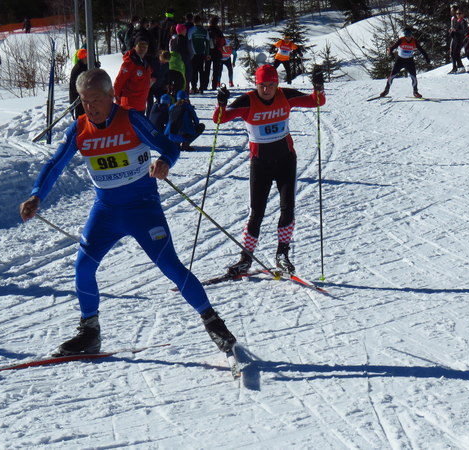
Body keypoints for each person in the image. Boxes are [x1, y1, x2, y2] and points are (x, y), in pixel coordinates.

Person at [18, 68, 237, 356]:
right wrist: (36, 195)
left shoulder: (131, 119)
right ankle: (89, 333)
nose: (90, 107)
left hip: (142, 209)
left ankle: (214, 324)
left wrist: (164, 162)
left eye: (96, 100)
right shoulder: (79, 129)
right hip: (106, 211)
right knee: (83, 267)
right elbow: (54, 165)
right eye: (84, 101)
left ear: (111, 96)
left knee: (170, 266)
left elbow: (169, 146)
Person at [212, 65, 326, 276]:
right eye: (262, 85)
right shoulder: (247, 101)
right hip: (260, 164)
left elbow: (316, 101)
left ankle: (282, 254)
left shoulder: (285, 95)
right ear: (257, 85)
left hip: (286, 161)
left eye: (271, 85)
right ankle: (245, 258)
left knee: (287, 208)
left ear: (277, 84)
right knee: (257, 212)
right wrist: (221, 104)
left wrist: (318, 88)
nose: (267, 89)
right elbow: (219, 119)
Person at [379, 27, 431, 98]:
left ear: (411, 35)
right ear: (404, 35)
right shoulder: (401, 40)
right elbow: (392, 47)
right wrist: (390, 53)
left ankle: (415, 92)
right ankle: (386, 91)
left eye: (409, 35)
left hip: (409, 61)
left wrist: (427, 57)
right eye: (406, 35)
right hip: (400, 60)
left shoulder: (414, 41)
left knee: (413, 77)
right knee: (392, 76)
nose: (408, 37)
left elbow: (421, 50)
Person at [114, 36, 153, 112]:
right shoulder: (130, 63)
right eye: (140, 45)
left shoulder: (146, 62)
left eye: (145, 46)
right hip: (129, 106)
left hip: (141, 105)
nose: (143, 48)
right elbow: (118, 83)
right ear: (135, 47)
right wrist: (118, 99)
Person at [190, 15, 211, 94]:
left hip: (193, 54)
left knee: (194, 71)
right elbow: (208, 43)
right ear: (200, 21)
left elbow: (188, 41)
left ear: (193, 21)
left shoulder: (191, 30)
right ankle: (202, 87)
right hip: (202, 53)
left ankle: (194, 87)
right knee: (201, 70)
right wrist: (207, 53)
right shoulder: (204, 31)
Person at [69, 49, 90, 119]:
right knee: (81, 116)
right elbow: (74, 86)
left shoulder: (84, 66)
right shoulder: (78, 69)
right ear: (83, 58)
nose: (87, 58)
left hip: (84, 96)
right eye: (86, 57)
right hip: (78, 97)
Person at [448, 9, 467, 73]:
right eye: (457, 14)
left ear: (462, 14)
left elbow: (464, 31)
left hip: (460, 39)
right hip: (455, 38)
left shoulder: (463, 22)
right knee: (453, 53)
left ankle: (460, 67)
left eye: (459, 13)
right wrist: (451, 31)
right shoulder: (456, 21)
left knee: (456, 53)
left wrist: (456, 31)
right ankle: (455, 67)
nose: (458, 15)